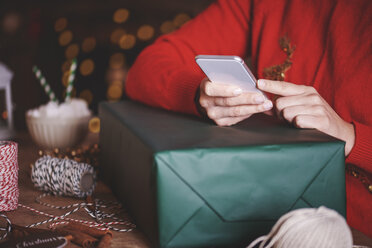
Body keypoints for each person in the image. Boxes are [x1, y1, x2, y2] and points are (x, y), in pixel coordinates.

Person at [125, 0, 372, 237]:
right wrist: (199, 94)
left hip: (356, 230)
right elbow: (145, 69)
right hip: (263, 214)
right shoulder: (264, 4)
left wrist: (351, 137)